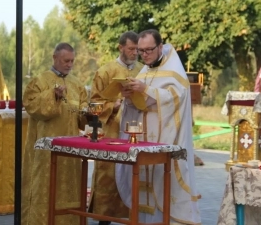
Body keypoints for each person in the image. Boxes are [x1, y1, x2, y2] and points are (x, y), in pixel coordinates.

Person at [116, 29, 201, 224]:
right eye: (140, 51)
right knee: (144, 184)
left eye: (149, 50)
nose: (144, 55)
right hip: (144, 138)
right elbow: (141, 104)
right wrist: (128, 97)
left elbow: (176, 98)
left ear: (160, 47)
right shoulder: (144, 71)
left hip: (166, 138)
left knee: (163, 182)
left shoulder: (174, 72)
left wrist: (145, 89)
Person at [21, 42, 88, 225]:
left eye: (72, 61)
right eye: (66, 60)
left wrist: (89, 114)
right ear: (55, 58)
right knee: (46, 189)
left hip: (71, 152)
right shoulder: (40, 81)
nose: (69, 64)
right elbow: (31, 105)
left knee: (70, 191)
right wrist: (54, 96)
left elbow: (82, 117)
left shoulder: (77, 84)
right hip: (46, 151)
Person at [88, 31, 143, 225]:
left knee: (133, 175)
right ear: (120, 48)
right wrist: (114, 105)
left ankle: (134, 218)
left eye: (137, 49)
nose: (135, 53)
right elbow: (93, 103)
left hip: (135, 131)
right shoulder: (106, 71)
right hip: (111, 132)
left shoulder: (142, 71)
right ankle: (104, 219)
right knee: (108, 175)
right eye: (131, 49)